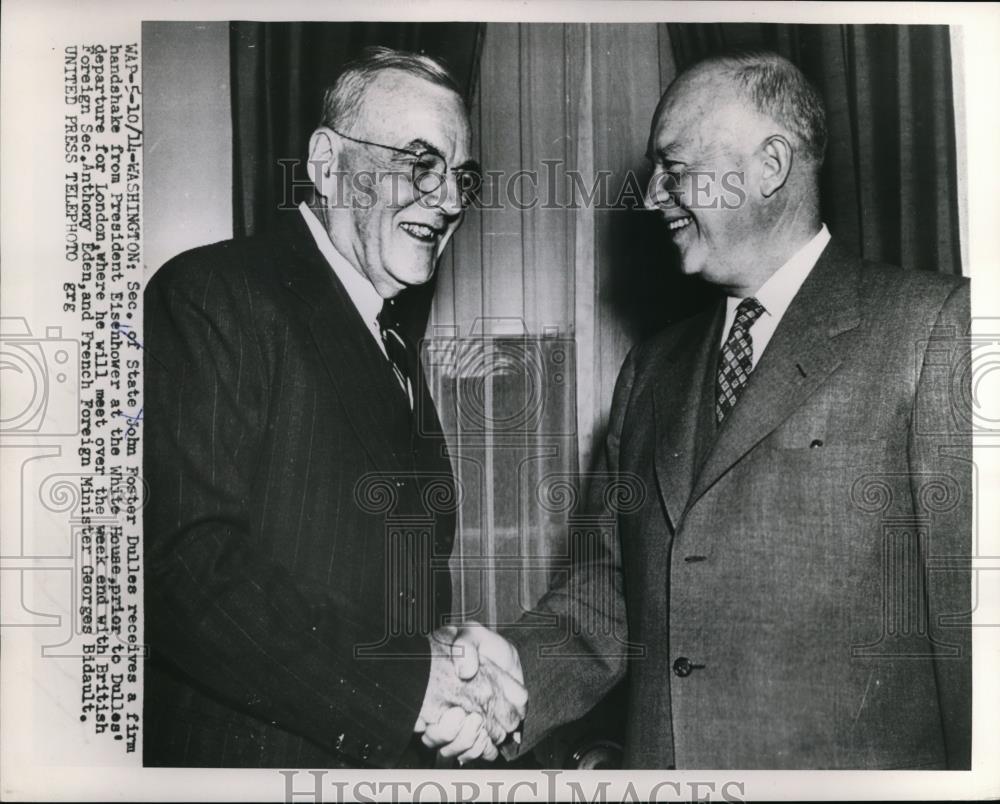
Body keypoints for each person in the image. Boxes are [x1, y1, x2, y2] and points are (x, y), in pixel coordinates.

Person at [432, 49, 972, 769]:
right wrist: (509, 670)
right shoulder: (652, 369)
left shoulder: (933, 331)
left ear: (770, 165)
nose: (654, 195)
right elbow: (606, 597)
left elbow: (975, 641)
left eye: (675, 167)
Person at [142, 46, 525, 769]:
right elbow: (184, 567)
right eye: (419, 163)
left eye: (461, 178)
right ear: (326, 162)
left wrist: (453, 656)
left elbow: (370, 584)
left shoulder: (387, 341)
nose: (447, 201)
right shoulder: (216, 296)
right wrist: (413, 682)